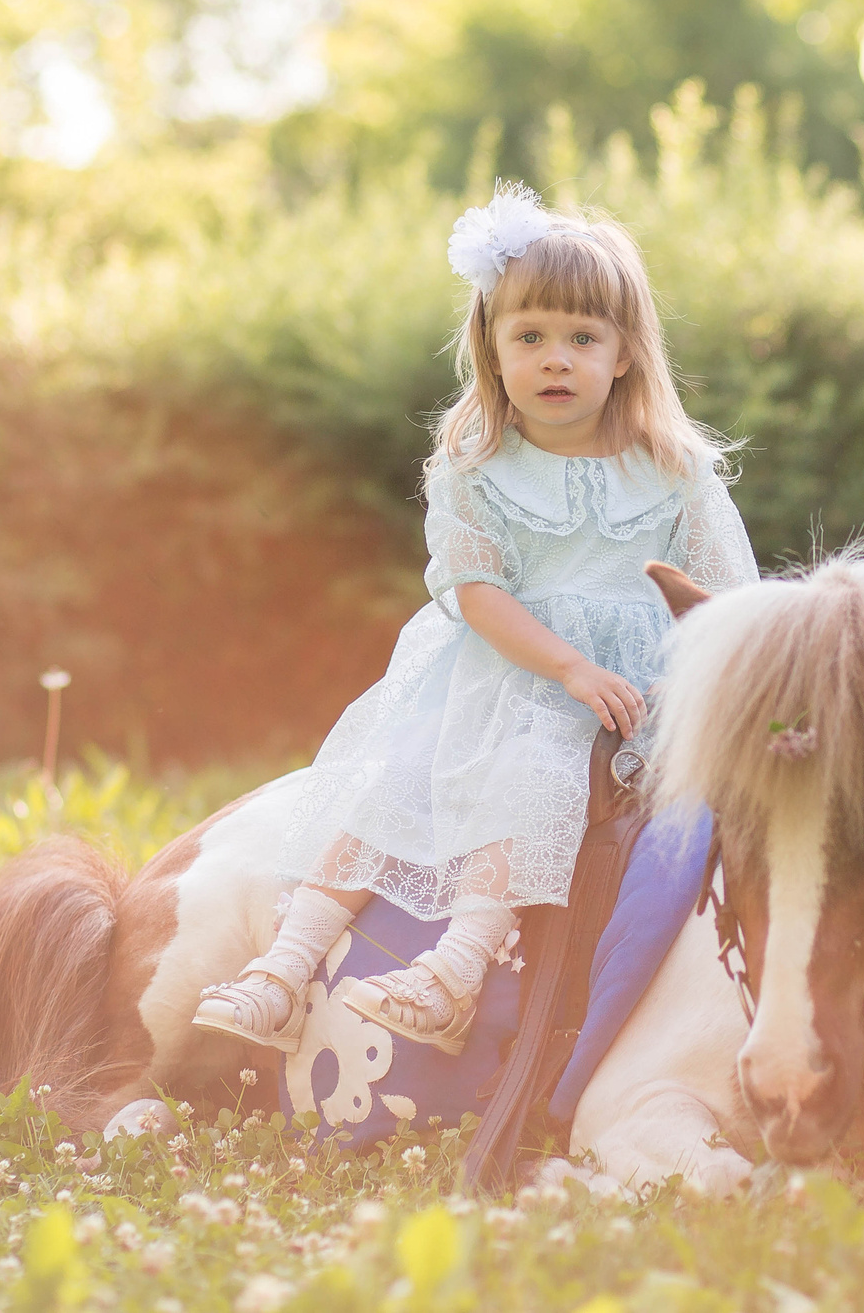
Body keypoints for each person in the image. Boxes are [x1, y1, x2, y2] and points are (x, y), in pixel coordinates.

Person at [193, 187, 758, 1056]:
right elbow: (476, 590)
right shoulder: (476, 466)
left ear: (624, 356)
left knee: (537, 769)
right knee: (385, 784)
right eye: (529, 336)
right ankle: (282, 968)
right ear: (492, 353)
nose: (555, 358)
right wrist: (567, 666)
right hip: (508, 670)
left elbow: (723, 591)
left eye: (582, 337)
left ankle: (455, 970)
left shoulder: (675, 468)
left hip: (641, 686)